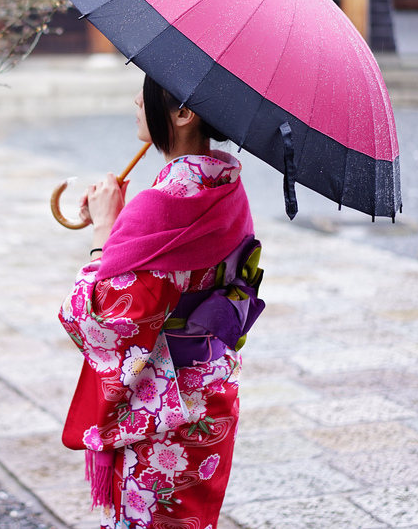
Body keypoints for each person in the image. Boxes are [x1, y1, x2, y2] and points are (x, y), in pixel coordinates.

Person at [59, 74, 264, 529]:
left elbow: (109, 320)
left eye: (148, 91)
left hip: (163, 409)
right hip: (209, 392)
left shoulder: (164, 203)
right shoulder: (225, 185)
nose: (137, 99)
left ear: (184, 114)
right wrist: (128, 223)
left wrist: (103, 234)